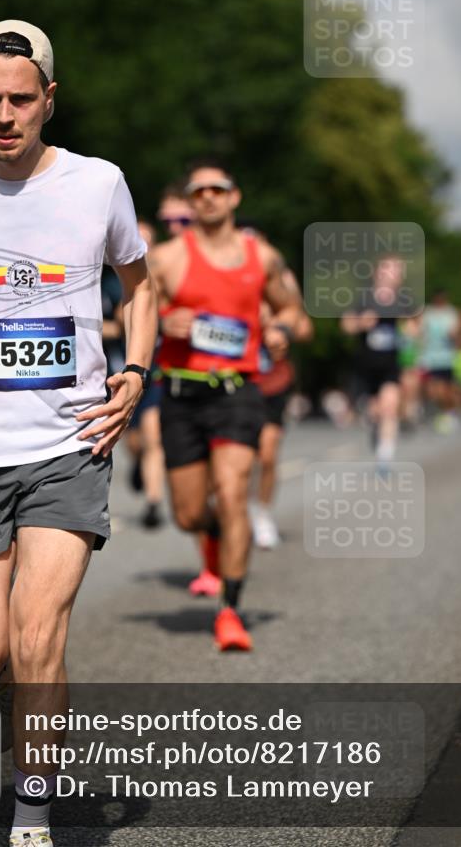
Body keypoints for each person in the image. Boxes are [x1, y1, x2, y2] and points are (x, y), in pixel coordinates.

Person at [0, 20, 158, 847]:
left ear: (49, 99)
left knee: (39, 632)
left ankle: (32, 815)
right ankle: (25, 713)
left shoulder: (98, 184)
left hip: (67, 446)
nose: (4, 115)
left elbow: (140, 287)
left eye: (20, 99)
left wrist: (136, 372)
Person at [150, 158, 302, 652]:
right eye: (199, 191)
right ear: (190, 203)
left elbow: (293, 311)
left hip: (237, 391)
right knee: (191, 513)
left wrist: (279, 331)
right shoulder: (168, 258)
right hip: (180, 393)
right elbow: (131, 312)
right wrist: (160, 323)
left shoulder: (262, 257)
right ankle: (216, 537)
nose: (209, 197)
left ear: (234, 197)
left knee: (233, 494)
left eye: (218, 189)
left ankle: (231, 610)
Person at [250, 290, 313, 549]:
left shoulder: (276, 280)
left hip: (273, 386)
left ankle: (262, 514)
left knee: (266, 454)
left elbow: (306, 330)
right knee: (239, 460)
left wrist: (279, 327)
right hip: (236, 383)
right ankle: (239, 510)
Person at [341, 254, 410, 469]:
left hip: (390, 365)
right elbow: (346, 326)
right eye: (388, 269)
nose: (392, 275)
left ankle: (384, 456)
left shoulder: (404, 301)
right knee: (375, 411)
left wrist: (411, 331)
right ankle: (375, 427)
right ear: (377, 272)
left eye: (397, 270)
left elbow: (416, 327)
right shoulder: (365, 298)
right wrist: (361, 323)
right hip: (366, 366)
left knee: (390, 407)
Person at [124, 219, 166, 528]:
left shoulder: (167, 277)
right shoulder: (110, 278)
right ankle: (137, 462)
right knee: (135, 440)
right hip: (119, 367)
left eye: (148, 240)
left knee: (154, 438)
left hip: (157, 369)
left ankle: (153, 502)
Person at [417, 290, 461, 432]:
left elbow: (460, 334)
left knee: (447, 391)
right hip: (430, 358)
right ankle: (442, 411)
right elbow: (419, 332)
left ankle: (450, 411)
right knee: (434, 390)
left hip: (447, 358)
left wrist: (455, 335)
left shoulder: (453, 313)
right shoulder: (427, 314)